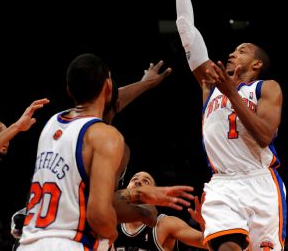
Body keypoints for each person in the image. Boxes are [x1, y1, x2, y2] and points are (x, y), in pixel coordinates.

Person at [163, 0, 287, 251]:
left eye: (242, 50)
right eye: (234, 49)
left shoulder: (266, 88)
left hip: (260, 181)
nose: (233, 52)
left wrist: (231, 93)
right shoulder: (210, 84)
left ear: (256, 64)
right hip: (222, 184)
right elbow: (187, 32)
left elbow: (264, 135)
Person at [17, 53, 194, 251]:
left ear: (69, 90)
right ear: (108, 86)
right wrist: (110, 236)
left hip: (29, 242)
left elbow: (107, 104)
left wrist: (144, 84)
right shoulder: (106, 137)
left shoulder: (52, 124)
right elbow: (99, 214)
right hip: (70, 244)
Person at [114, 171, 207, 251]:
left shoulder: (165, 224)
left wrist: (202, 223)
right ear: (126, 188)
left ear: (156, 194)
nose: (138, 181)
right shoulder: (112, 222)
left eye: (146, 181)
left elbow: (205, 243)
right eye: (134, 179)